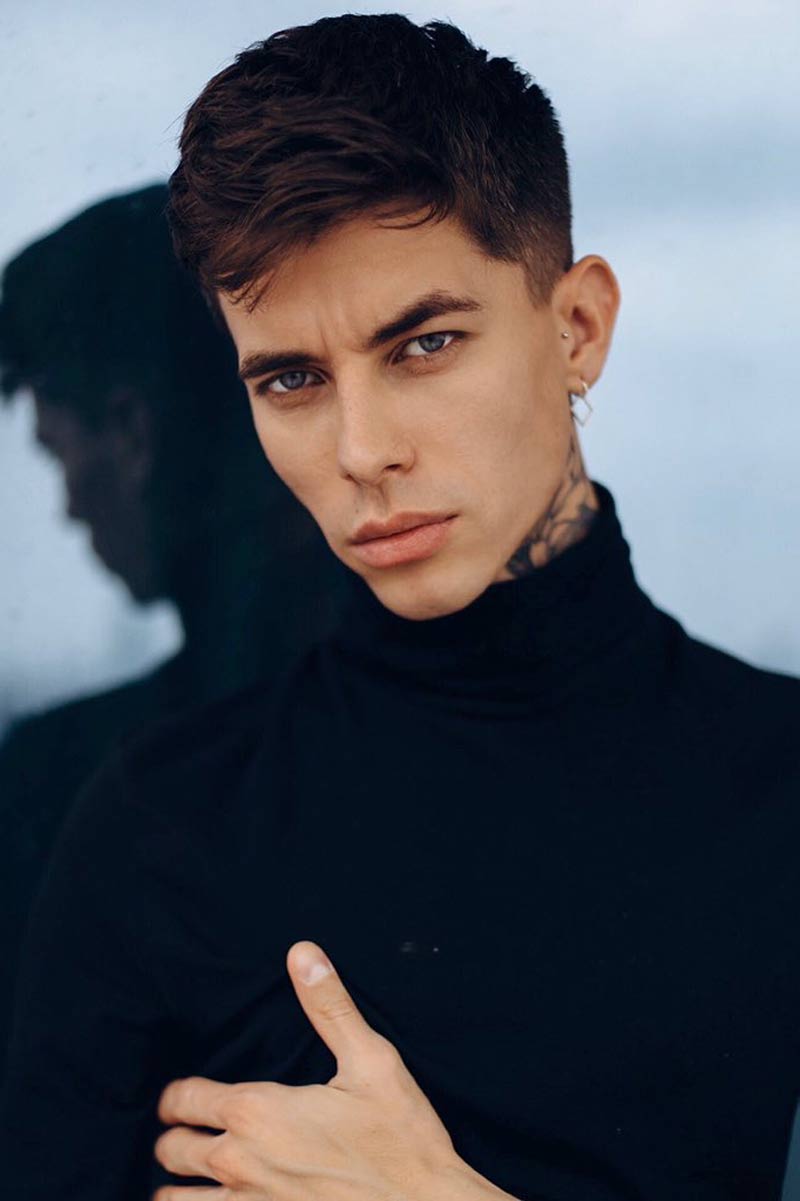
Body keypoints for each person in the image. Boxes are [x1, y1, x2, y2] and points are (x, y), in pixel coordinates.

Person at [2, 13, 799, 1200]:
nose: (361, 450)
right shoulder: (160, 822)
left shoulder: (777, 785)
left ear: (576, 328)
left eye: (422, 344)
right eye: (291, 378)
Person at [0, 184, 350, 1074]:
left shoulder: (76, 784)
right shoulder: (441, 703)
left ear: (131, 434)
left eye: (58, 453)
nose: (67, 508)